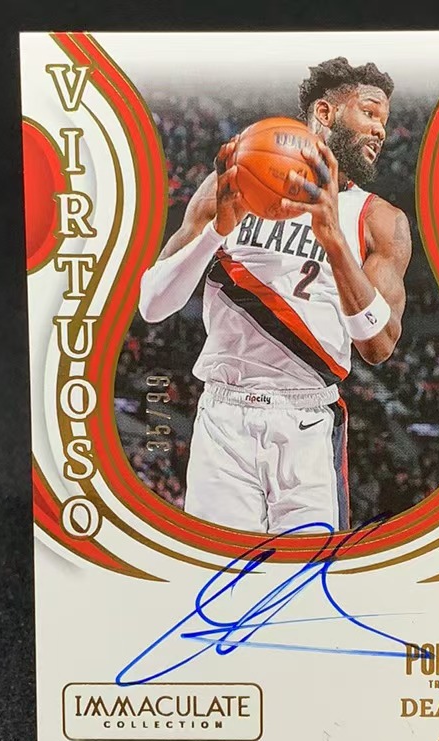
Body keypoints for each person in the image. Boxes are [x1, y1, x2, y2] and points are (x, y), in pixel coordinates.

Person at [139, 57, 412, 534]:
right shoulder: (232, 183)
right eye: (369, 113)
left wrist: (333, 240)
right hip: (224, 416)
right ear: (325, 113)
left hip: (308, 420)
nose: (379, 130)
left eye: (383, 121)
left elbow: (379, 345)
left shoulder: (380, 220)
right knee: (221, 575)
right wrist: (215, 232)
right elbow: (152, 305)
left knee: (304, 576)